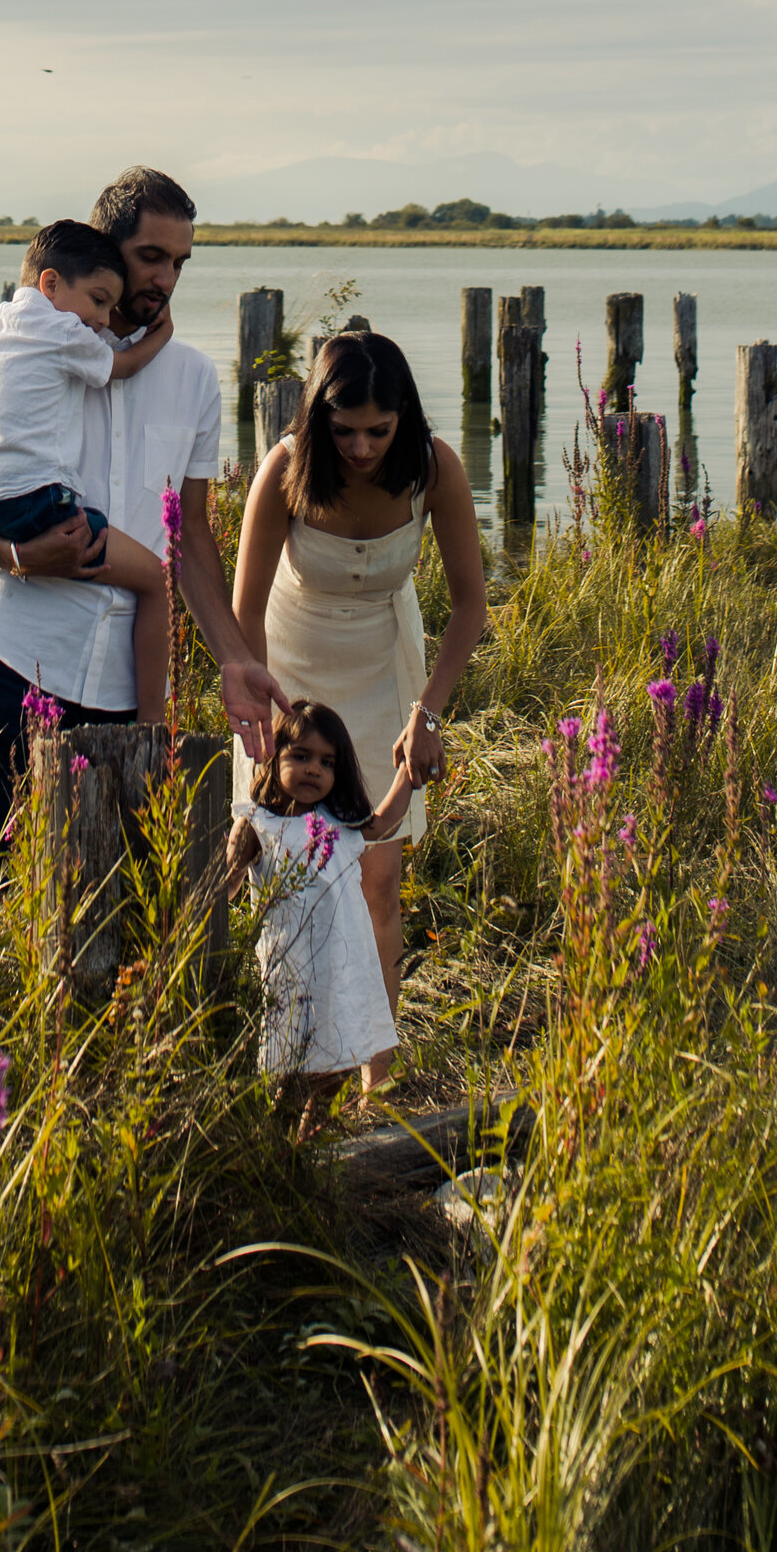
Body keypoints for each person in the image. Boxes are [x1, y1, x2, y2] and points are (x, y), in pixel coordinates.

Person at [0, 163, 292, 860]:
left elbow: (192, 539)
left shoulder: (194, 379)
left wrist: (234, 657)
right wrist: (16, 557)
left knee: (125, 892)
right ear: (105, 248)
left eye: (179, 262)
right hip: (16, 658)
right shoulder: (23, 349)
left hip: (130, 685)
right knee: (12, 881)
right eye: (152, 257)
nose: (167, 280)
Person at [230, 327, 487, 1077]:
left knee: (377, 875)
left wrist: (428, 714)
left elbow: (471, 606)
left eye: (379, 430)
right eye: (344, 431)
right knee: (286, 874)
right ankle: (289, 1054)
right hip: (293, 671)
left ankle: (375, 1067)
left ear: (405, 414)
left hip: (383, 665)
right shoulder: (285, 469)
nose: (363, 447)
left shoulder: (436, 468)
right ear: (318, 421)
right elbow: (245, 614)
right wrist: (272, 723)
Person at [0, 218, 170, 743]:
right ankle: (154, 734)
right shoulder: (64, 332)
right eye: (99, 301)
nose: (103, 320)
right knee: (154, 579)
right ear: (51, 284)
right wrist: (160, 337)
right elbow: (120, 366)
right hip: (37, 505)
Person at [226, 699, 416, 1125]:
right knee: (294, 1070)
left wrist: (408, 771)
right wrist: (229, 867)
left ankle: (309, 1142)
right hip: (294, 973)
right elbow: (228, 883)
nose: (314, 769)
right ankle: (281, 1147)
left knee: (343, 1060)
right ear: (274, 757)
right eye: (301, 756)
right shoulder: (260, 824)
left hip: (344, 968)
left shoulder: (339, 822)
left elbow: (384, 821)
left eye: (327, 762)